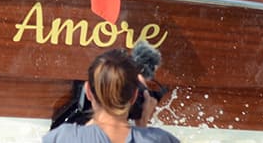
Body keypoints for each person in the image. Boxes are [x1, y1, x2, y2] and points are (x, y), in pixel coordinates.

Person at [43, 49, 178, 143]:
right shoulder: (161, 139)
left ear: (88, 91)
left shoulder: (62, 137)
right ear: (134, 96)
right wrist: (142, 128)